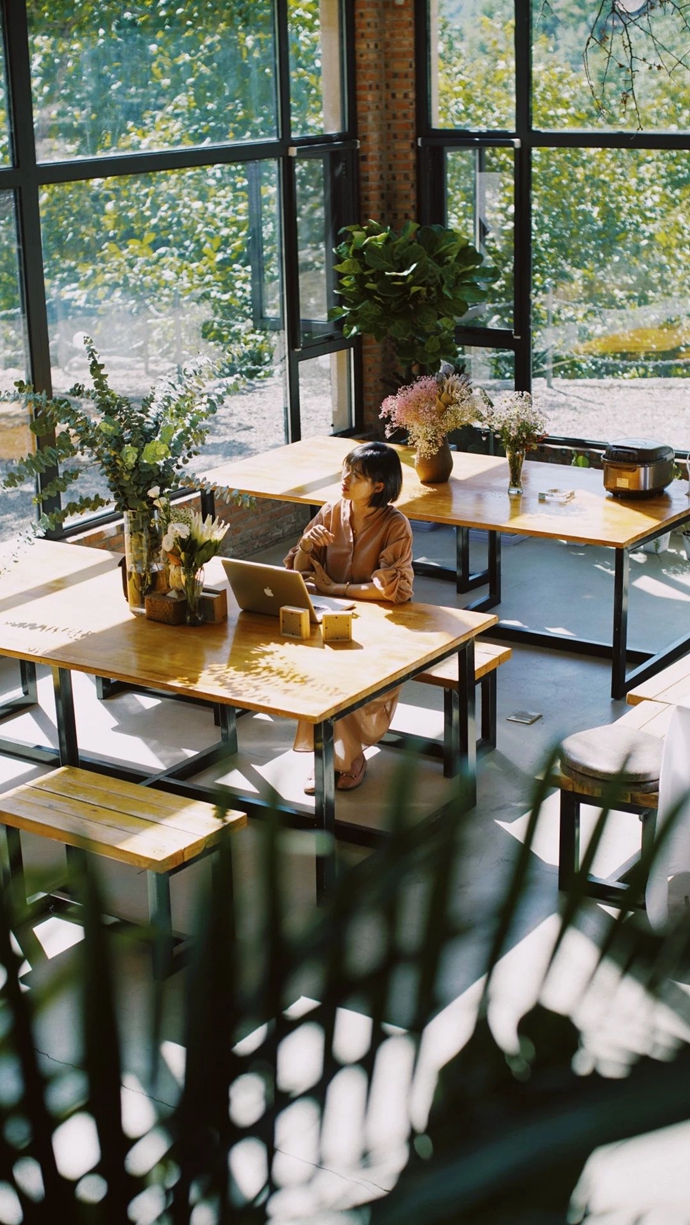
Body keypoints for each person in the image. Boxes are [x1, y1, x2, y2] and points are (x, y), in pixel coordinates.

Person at [284, 441, 414, 793]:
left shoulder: (395, 525)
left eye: (356, 475)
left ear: (379, 486)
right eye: (346, 470)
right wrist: (306, 546)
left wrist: (337, 588)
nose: (345, 479)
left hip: (383, 626)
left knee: (344, 675)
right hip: (329, 618)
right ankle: (334, 757)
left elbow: (392, 589)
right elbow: (298, 570)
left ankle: (342, 758)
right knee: (314, 668)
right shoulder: (330, 512)